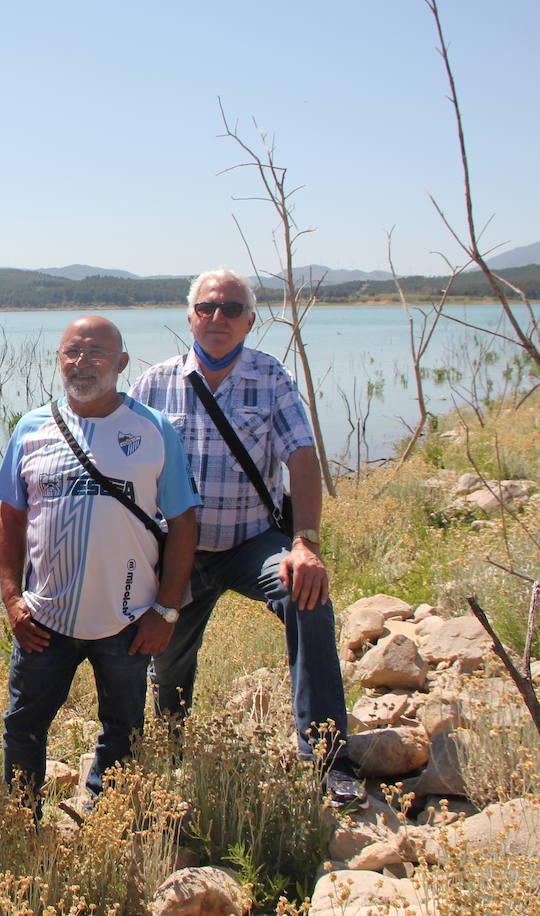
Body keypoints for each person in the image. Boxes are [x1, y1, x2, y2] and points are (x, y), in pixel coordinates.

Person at [129, 268, 365, 808]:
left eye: (231, 309)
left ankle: (327, 755)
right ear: (189, 317)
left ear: (250, 321)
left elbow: (302, 457)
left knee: (307, 596)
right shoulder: (155, 383)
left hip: (251, 543)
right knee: (168, 665)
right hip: (180, 552)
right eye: (208, 308)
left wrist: (305, 543)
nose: (218, 318)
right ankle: (169, 754)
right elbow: (129, 470)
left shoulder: (271, 377)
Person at [0, 316, 200, 812]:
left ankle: (103, 815)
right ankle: (23, 821)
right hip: (45, 620)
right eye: (72, 352)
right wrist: (11, 598)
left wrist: (167, 610)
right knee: (23, 726)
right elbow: (9, 518)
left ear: (122, 363)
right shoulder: (31, 427)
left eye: (96, 353)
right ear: (59, 359)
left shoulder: (153, 429)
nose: (82, 363)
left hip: (127, 621)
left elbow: (184, 524)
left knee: (124, 728)